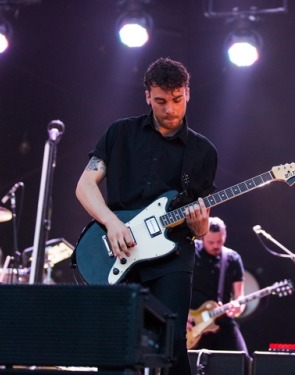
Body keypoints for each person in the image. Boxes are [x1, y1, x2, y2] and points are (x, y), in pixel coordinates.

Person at [75, 57, 218, 374]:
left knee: (170, 344)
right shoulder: (120, 133)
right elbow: (85, 185)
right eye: (161, 101)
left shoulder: (203, 152)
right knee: (113, 343)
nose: (170, 110)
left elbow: (200, 220)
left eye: (177, 100)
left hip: (172, 256)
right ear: (147, 96)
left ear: (188, 94)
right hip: (120, 247)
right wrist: (112, 223)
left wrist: (201, 226)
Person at [188, 216, 248, 354]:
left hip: (222, 320)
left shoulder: (233, 258)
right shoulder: (191, 252)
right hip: (192, 323)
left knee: (243, 360)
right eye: (211, 242)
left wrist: (239, 306)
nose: (215, 245)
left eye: (219, 241)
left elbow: (240, 296)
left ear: (225, 236)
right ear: (202, 237)